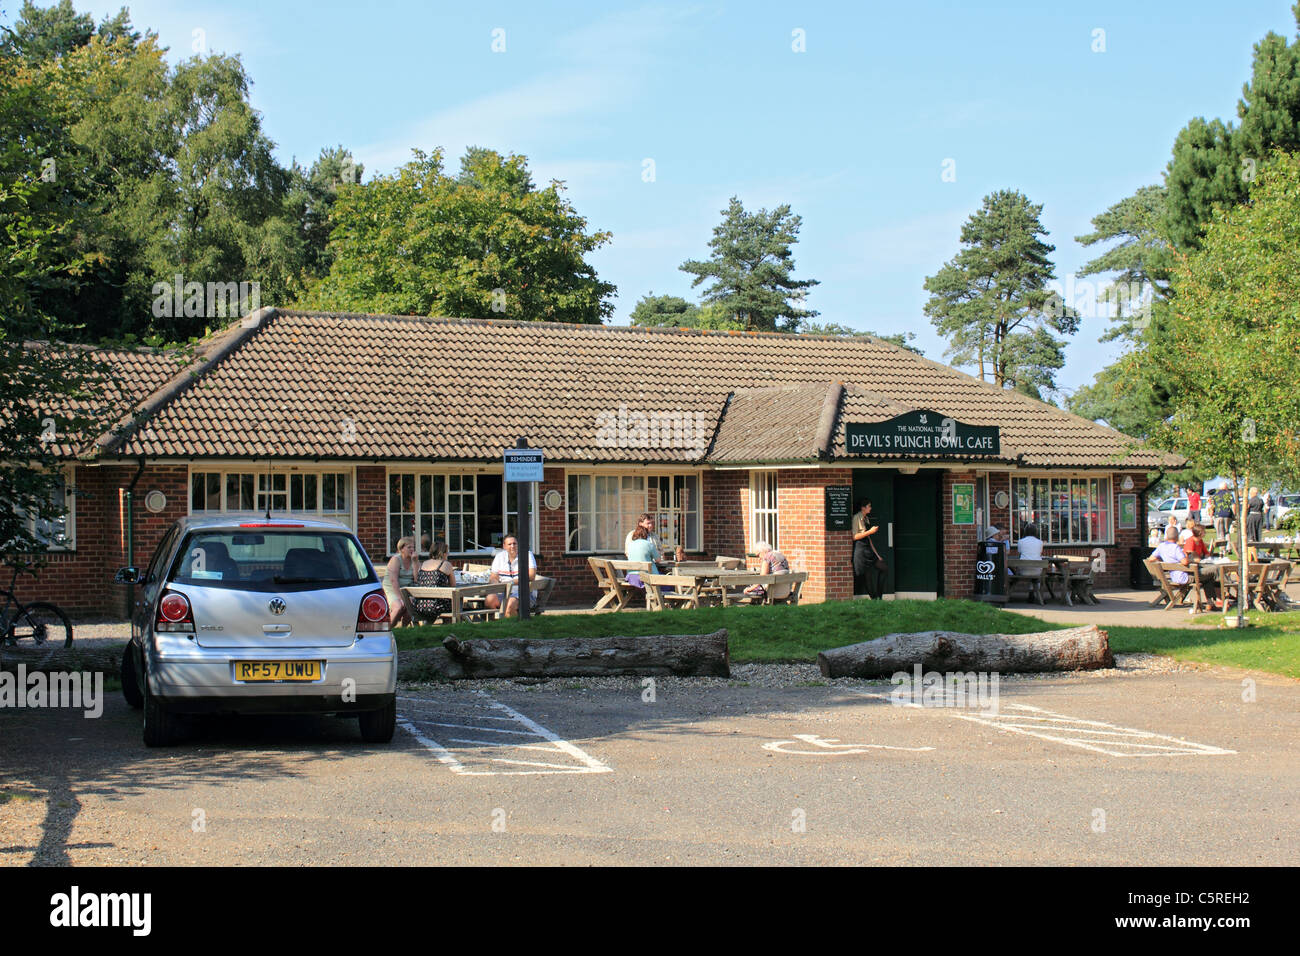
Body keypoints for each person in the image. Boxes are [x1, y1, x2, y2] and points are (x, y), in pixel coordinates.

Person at [485, 534, 537, 618]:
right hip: (504, 591)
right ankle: (496, 625)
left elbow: (531, 576)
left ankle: (513, 627)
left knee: (510, 604)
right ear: (504, 546)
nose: (512, 546)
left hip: (524, 592)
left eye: (514, 543)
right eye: (509, 544)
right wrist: (496, 583)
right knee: (489, 600)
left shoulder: (527, 555)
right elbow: (493, 577)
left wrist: (511, 582)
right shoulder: (499, 557)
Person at [411, 537, 455, 621]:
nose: (448, 554)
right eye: (447, 552)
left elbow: (417, 580)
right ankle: (452, 628)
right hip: (437, 605)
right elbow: (453, 586)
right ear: (443, 553)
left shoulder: (423, 564)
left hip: (421, 605)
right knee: (456, 603)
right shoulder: (445, 564)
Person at [852, 499, 885, 598]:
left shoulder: (866, 518)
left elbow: (869, 539)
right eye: (869, 506)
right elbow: (854, 536)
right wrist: (870, 531)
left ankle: (879, 597)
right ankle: (875, 600)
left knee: (884, 569)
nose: (870, 508)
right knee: (868, 576)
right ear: (863, 507)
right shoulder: (856, 518)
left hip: (868, 550)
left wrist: (877, 555)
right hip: (861, 550)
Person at [383, 536, 419, 626]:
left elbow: (416, 579)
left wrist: (415, 562)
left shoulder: (414, 560)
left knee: (411, 606)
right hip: (392, 588)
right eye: (409, 547)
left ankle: (403, 628)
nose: (412, 549)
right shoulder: (396, 559)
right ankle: (389, 629)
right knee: (399, 606)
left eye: (413, 547)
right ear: (402, 549)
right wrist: (400, 598)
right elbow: (393, 580)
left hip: (407, 589)